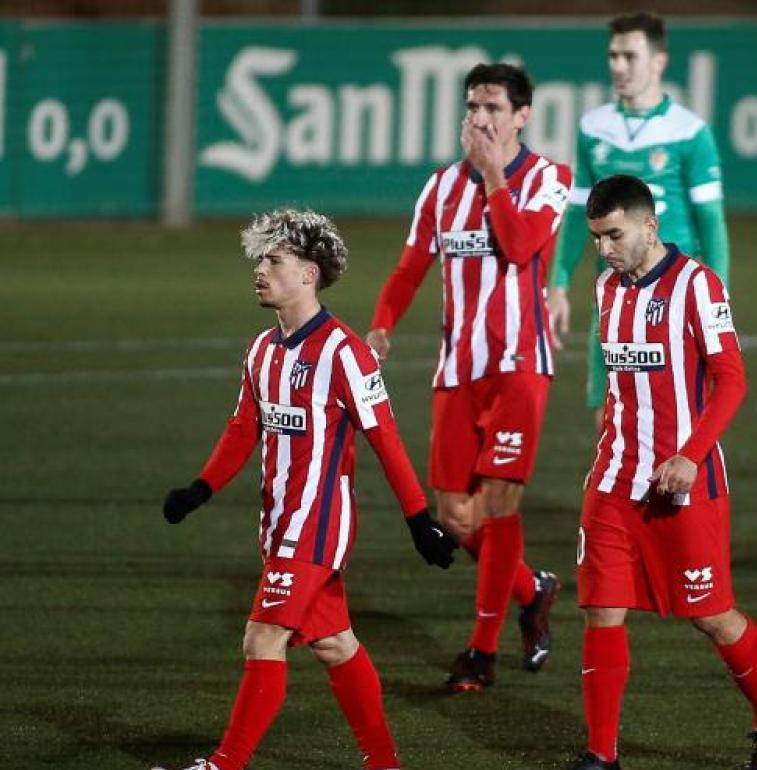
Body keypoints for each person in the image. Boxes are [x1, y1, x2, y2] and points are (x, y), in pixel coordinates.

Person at [154, 209, 458, 770]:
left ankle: (225, 763)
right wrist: (200, 488)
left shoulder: (345, 352)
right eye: (260, 260)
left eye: (275, 260)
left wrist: (419, 520)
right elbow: (243, 428)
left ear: (308, 274)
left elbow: (385, 438)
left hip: (316, 525)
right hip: (278, 524)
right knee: (335, 643)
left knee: (262, 638)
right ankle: (384, 764)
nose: (260, 270)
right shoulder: (261, 350)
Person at [566, 175, 757, 770]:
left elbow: (732, 380)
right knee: (601, 609)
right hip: (614, 480)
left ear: (650, 226)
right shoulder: (605, 288)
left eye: (614, 235)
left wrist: (690, 455)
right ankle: (601, 755)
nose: (604, 249)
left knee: (711, 615)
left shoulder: (697, 285)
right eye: (596, 238)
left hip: (687, 487)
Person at [367, 63, 571, 691]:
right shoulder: (439, 188)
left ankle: (481, 652)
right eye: (472, 106)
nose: (479, 118)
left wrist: (492, 177)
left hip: (519, 367)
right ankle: (532, 590)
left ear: (521, 116)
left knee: (500, 503)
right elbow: (410, 268)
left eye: (493, 108)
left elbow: (518, 246)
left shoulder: (550, 179)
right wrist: (381, 327)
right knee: (456, 518)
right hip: (457, 369)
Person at [548, 11, 730, 431]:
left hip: (675, 298)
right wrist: (557, 284)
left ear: (659, 61)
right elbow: (578, 212)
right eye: (613, 56)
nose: (618, 66)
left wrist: (717, 299)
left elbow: (711, 223)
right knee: (609, 418)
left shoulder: (689, 132)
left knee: (677, 422)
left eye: (630, 56)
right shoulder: (594, 128)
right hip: (614, 297)